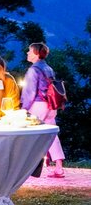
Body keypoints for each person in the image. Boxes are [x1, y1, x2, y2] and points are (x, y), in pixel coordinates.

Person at [22, 42, 65, 178]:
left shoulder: (33, 70)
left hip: (38, 105)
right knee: (52, 135)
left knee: (30, 135)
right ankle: (59, 167)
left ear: (36, 53)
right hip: (50, 105)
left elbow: (29, 92)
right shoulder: (48, 68)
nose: (27, 53)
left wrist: (23, 108)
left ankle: (30, 168)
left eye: (29, 51)